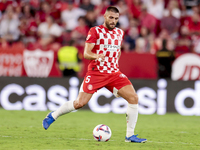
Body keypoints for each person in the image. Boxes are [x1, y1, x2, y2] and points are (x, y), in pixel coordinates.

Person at [42, 6, 147, 143]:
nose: (113, 21)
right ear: (104, 16)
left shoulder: (120, 33)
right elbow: (86, 53)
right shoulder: (95, 31)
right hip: (97, 73)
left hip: (114, 73)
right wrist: (97, 56)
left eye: (116, 18)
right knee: (80, 103)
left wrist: (114, 63)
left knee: (133, 98)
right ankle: (52, 115)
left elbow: (118, 51)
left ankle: (129, 136)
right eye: (111, 17)